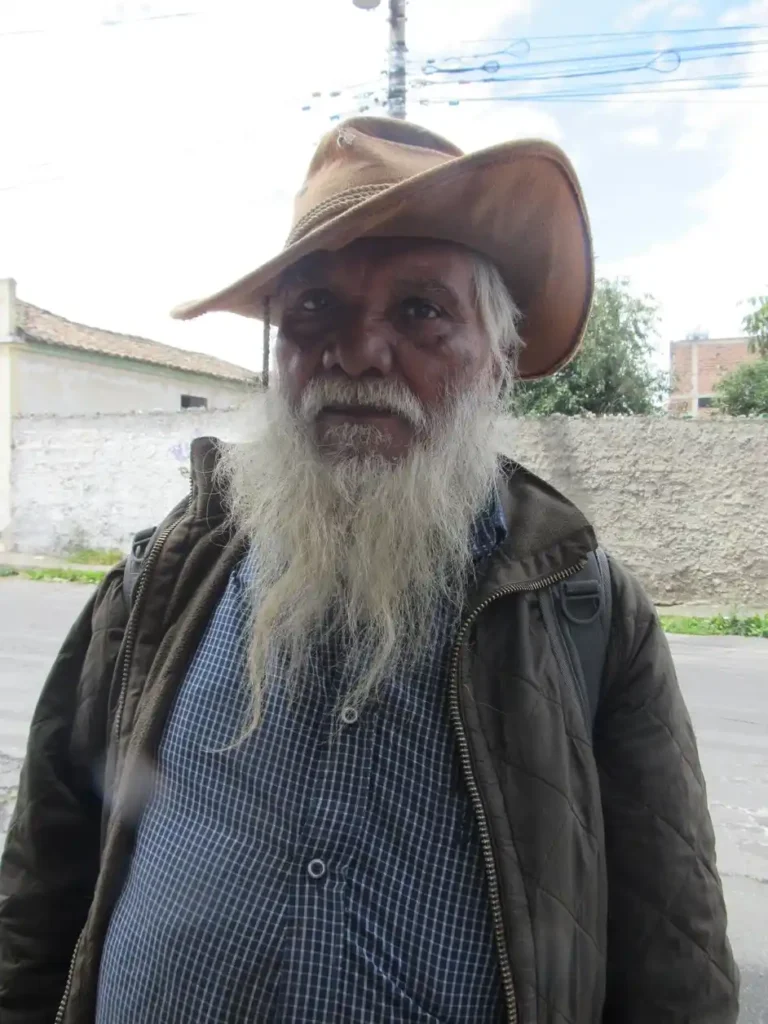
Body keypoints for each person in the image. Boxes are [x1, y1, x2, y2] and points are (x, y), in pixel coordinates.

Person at [0, 117, 738, 1024]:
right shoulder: (158, 585)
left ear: (499, 361)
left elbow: (677, 967)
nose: (355, 351)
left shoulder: (588, 615)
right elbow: (39, 899)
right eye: (315, 310)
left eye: (421, 310)